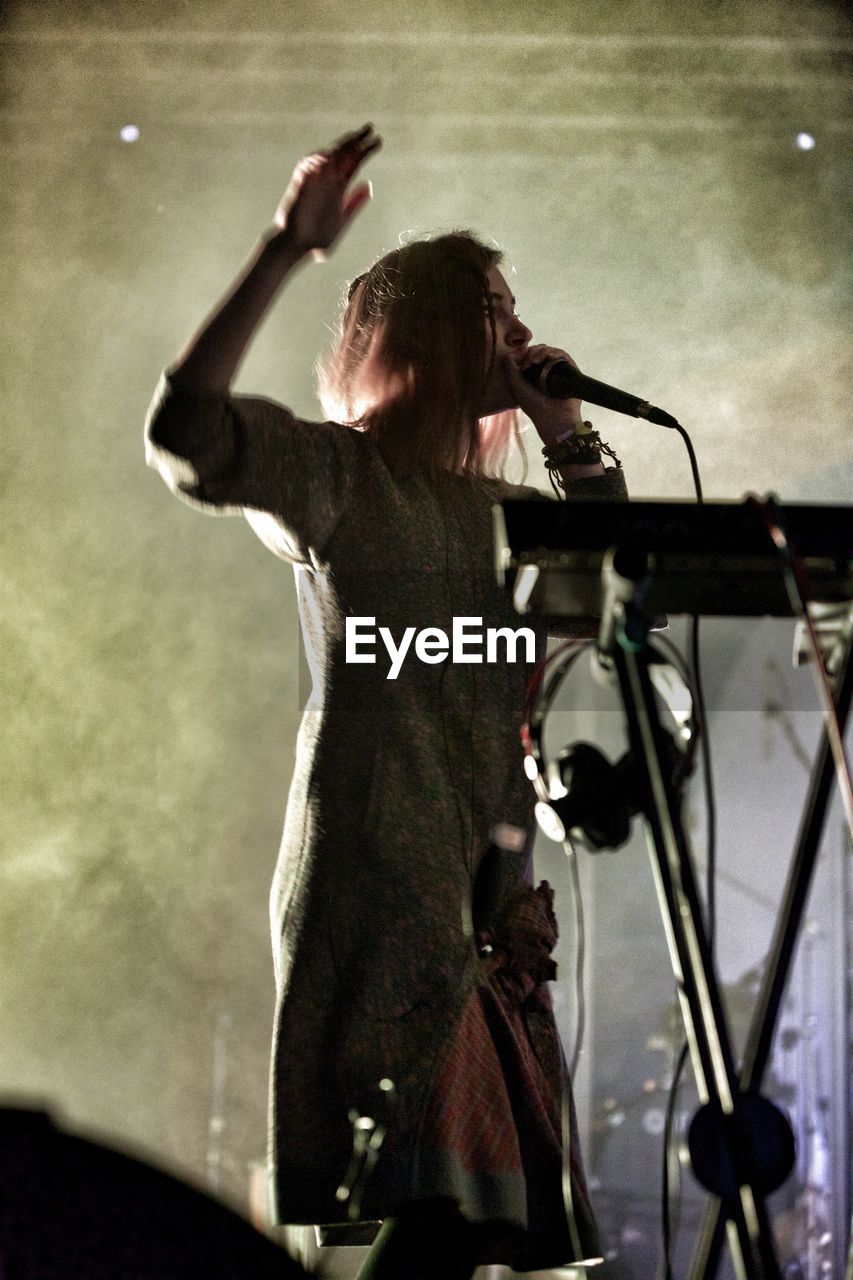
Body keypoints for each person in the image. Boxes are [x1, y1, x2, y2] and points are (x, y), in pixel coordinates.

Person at [144, 124, 627, 1276]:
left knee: (493, 1240)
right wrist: (280, 250)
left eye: (515, 312)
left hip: (483, 909)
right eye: (488, 313)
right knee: (424, 1228)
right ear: (416, 334)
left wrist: (566, 429)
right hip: (380, 898)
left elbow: (595, 596)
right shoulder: (342, 474)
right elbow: (187, 436)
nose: (515, 335)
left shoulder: (503, 512)